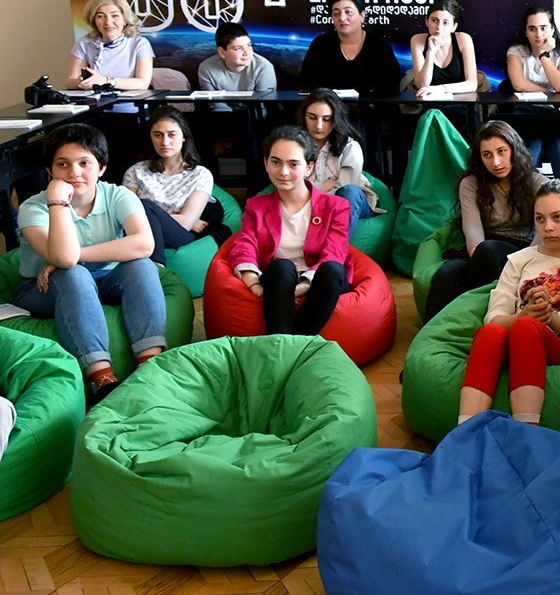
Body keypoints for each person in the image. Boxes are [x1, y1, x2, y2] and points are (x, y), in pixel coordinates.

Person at [14, 124, 167, 403]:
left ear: (101, 168)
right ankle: (102, 381)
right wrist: (57, 203)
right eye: (62, 164)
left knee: (142, 265)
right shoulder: (33, 207)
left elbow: (145, 244)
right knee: (73, 273)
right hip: (43, 289)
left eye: (84, 163)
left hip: (106, 280)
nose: (74, 172)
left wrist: (79, 254)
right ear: (49, 170)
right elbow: (64, 260)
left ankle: (150, 368)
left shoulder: (118, 195)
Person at [458, 179, 560, 426]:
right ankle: (466, 430)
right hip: (515, 337)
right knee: (489, 333)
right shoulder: (519, 259)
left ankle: (526, 430)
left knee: (527, 328)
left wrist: (549, 318)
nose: (548, 227)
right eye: (540, 219)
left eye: (557, 217)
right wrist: (523, 315)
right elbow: (494, 318)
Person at [229, 126, 351, 336]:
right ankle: (287, 342)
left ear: (308, 168)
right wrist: (255, 285)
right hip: (278, 281)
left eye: (293, 164)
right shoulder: (256, 206)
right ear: (266, 163)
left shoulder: (336, 206)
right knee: (282, 266)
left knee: (332, 269)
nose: (283, 172)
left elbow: (335, 252)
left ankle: (290, 344)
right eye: (276, 162)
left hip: (319, 282)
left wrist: (301, 287)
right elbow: (244, 244)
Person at [425, 121, 547, 321]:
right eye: (487, 155)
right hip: (482, 251)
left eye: (501, 152)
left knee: (488, 251)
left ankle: (476, 322)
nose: (496, 162)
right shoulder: (470, 184)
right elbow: (474, 238)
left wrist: (521, 268)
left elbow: (544, 232)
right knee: (446, 274)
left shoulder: (537, 184)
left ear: (514, 150)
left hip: (524, 251)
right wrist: (481, 258)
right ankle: (433, 334)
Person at [123, 105, 231, 264]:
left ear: (184, 136)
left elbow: (186, 223)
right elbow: (125, 217)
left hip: (180, 235)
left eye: (171, 134)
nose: (165, 142)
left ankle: (158, 266)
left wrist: (149, 218)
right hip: (141, 235)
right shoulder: (136, 172)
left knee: (145, 207)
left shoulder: (200, 174)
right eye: (158, 135)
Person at [504, 5, 560, 180]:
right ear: (526, 32)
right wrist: (550, 94)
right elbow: (518, 84)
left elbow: (559, 85)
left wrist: (544, 55)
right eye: (532, 29)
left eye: (543, 28)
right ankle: (523, 193)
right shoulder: (516, 52)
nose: (538, 34)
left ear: (552, 29)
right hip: (527, 113)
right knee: (532, 144)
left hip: (556, 115)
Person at [297, 88, 383, 233]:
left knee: (350, 192)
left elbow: (344, 189)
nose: (318, 125)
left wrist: (311, 190)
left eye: (326, 119)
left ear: (335, 119)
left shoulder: (350, 147)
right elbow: (293, 188)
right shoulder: (294, 146)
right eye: (312, 117)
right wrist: (326, 185)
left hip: (349, 204)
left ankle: (334, 246)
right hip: (305, 206)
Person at [299, 0, 400, 95]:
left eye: (348, 12)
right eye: (336, 13)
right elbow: (308, 82)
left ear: (362, 16)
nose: (342, 18)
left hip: (371, 104)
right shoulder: (320, 44)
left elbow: (391, 85)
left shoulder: (380, 47)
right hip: (330, 104)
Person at [65, 0, 154, 90]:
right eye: (100, 16)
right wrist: (87, 81)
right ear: (94, 20)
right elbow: (70, 82)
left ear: (125, 20)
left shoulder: (140, 44)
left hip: (129, 100)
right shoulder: (84, 43)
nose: (108, 22)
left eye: (115, 16)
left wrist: (106, 81)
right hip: (94, 99)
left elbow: (143, 83)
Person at [407, 0, 478, 97]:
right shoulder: (417, 40)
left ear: (454, 27)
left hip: (461, 101)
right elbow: (422, 85)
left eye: (445, 23)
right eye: (434, 20)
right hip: (429, 102)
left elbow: (472, 84)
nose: (439, 27)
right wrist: (430, 52)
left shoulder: (463, 39)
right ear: (426, 21)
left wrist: (441, 89)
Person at [196, 21, 276, 109]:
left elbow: (263, 105)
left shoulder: (264, 67)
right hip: (223, 115)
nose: (247, 53)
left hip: (255, 115)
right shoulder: (206, 68)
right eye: (238, 48)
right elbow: (216, 105)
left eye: (249, 45)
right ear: (222, 52)